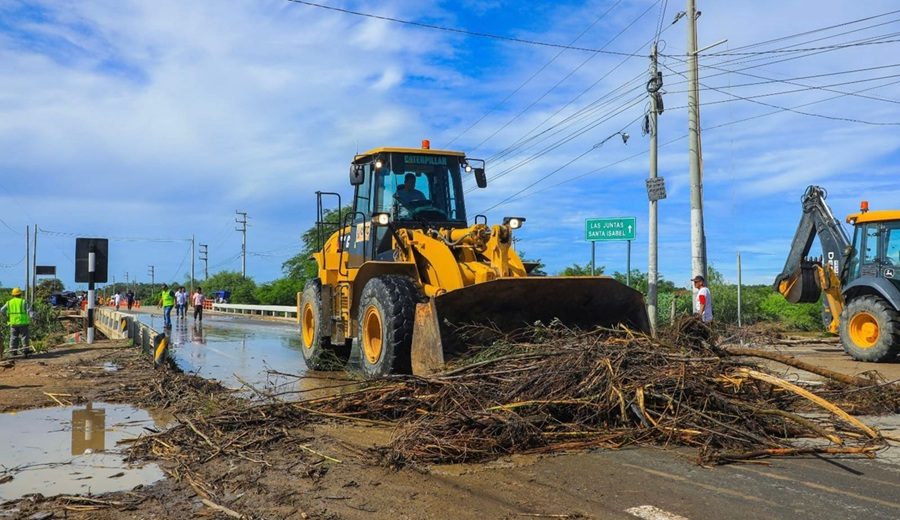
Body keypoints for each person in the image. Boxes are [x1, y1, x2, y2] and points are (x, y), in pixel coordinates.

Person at [1, 287, 32, 358]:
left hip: (13, 323)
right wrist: (33, 317)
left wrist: (6, 316)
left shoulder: (9, 302)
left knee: (13, 337)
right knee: (24, 336)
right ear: (20, 294)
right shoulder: (23, 301)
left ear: (12, 295)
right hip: (23, 322)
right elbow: (29, 311)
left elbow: (1, 310)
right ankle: (25, 351)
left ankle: (13, 351)